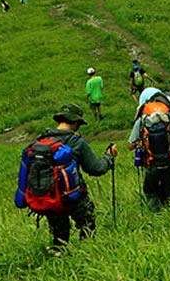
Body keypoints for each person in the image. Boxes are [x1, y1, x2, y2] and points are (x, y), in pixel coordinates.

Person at [16, 103, 116, 252]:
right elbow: (96, 168)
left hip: (50, 198)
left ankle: (58, 256)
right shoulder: (77, 142)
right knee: (87, 226)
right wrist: (109, 157)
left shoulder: (40, 142)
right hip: (73, 197)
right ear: (75, 122)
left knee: (59, 236)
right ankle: (87, 255)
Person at [128, 86, 170, 207]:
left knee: (150, 193)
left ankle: (156, 216)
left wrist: (141, 142)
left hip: (151, 163)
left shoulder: (142, 119)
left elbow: (130, 145)